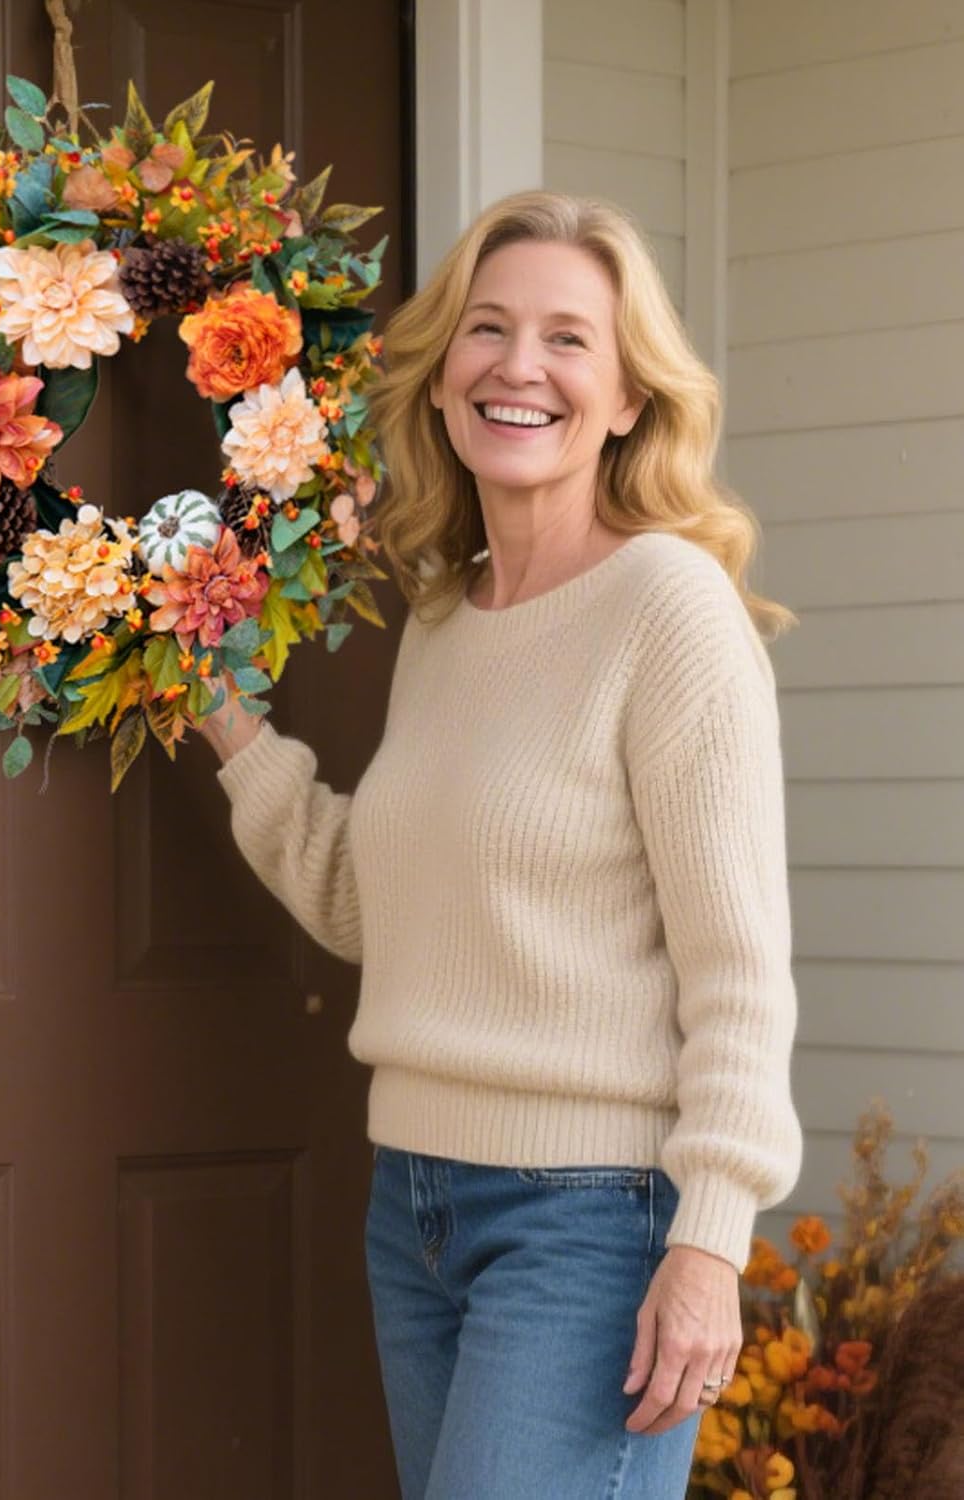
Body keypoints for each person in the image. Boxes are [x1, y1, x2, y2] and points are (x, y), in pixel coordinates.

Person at [194, 190, 804, 1498]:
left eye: (569, 339)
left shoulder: (668, 608)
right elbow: (379, 905)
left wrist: (708, 1244)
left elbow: (739, 973)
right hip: (414, 1204)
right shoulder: (445, 620)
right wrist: (232, 726)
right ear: (446, 373)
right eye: (489, 328)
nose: (518, 366)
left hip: (590, 1224)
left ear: (632, 395)